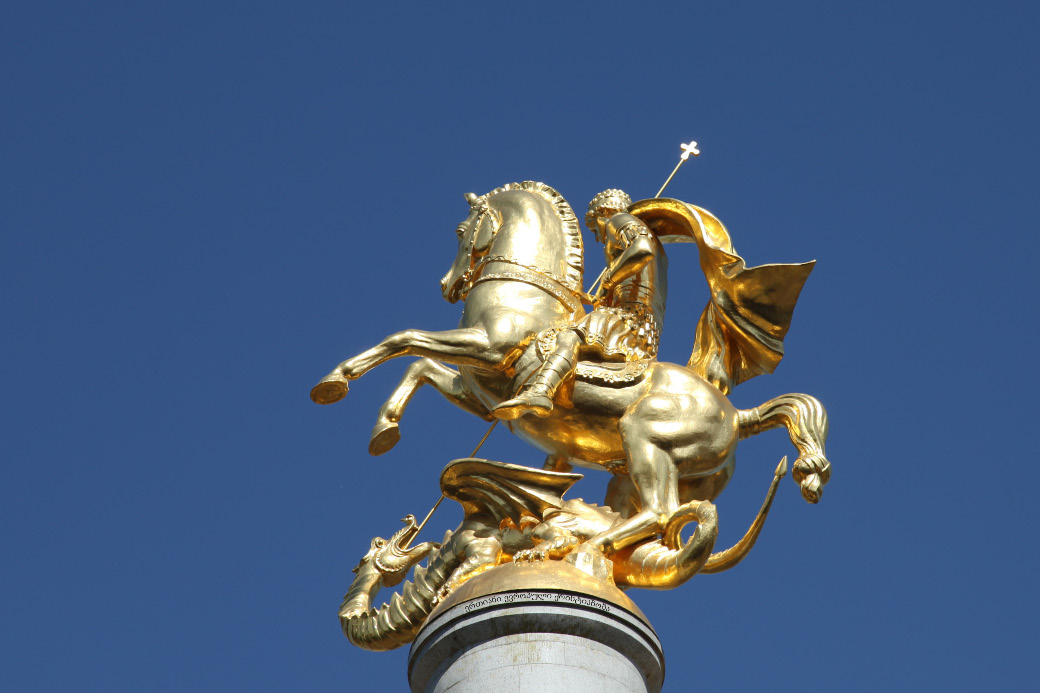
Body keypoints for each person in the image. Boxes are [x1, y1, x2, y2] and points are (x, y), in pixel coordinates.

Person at [493, 189, 664, 420]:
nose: (596, 237)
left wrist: (607, 279)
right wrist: (597, 296)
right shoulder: (657, 245)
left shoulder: (619, 220)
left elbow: (641, 249)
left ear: (603, 212)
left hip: (628, 316)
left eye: (594, 227)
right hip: (643, 326)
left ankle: (541, 391)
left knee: (569, 337)